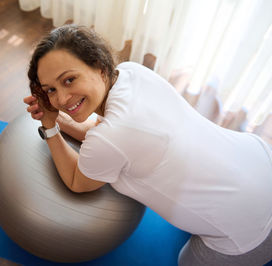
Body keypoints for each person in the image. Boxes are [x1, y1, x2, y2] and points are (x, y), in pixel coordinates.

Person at [23, 24, 272, 266]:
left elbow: (78, 181)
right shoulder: (132, 72)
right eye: (50, 90)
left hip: (249, 233)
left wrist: (50, 127)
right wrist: (55, 116)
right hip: (260, 160)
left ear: (98, 67)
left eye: (69, 80)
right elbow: (104, 132)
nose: (61, 98)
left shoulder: (111, 138)